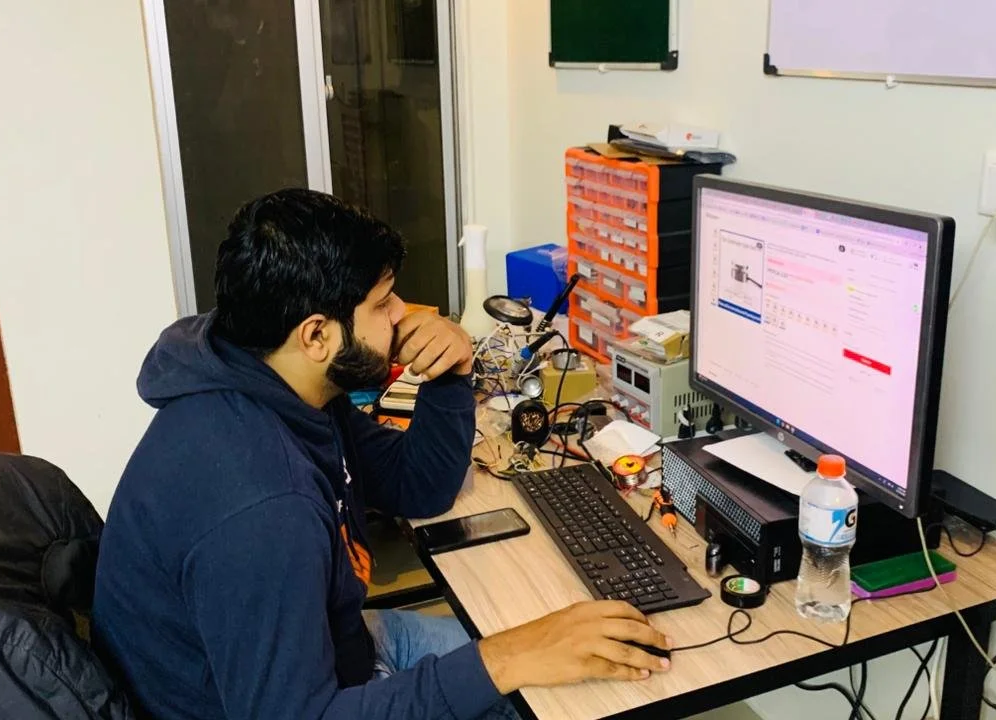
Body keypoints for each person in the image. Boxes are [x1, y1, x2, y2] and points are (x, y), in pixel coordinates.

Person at [92, 189, 672, 720]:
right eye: (383, 302)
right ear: (316, 335)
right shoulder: (260, 506)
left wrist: (452, 371)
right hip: (314, 701)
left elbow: (417, 486)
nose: (404, 315)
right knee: (568, 698)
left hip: (338, 650)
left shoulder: (279, 384)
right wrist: (506, 658)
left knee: (587, 665)